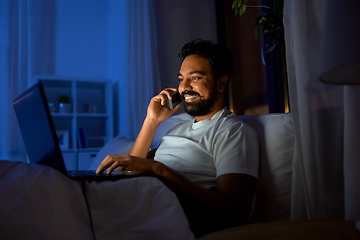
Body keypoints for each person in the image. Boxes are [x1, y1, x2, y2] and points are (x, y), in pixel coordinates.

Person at [96, 39, 259, 237]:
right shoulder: (177, 128)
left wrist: (159, 170)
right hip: (137, 201)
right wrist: (152, 120)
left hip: (166, 217)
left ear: (221, 83)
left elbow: (233, 214)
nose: (184, 87)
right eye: (181, 79)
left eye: (195, 78)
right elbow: (131, 171)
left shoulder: (232, 131)